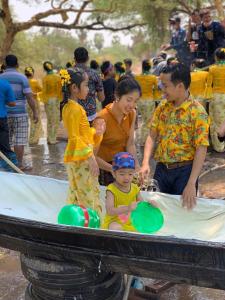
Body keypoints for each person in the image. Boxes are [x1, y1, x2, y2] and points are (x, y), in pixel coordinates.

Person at [140, 63, 210, 210]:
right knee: (156, 211)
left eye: (165, 86)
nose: (162, 90)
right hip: (161, 170)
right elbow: (152, 136)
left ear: (180, 86)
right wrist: (145, 162)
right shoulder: (162, 107)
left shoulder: (198, 112)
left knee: (181, 213)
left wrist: (191, 182)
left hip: (184, 173)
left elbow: (201, 148)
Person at [60, 68, 105, 217]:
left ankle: (75, 221)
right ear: (74, 88)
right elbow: (75, 138)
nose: (88, 89)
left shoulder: (71, 107)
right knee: (87, 192)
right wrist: (90, 158)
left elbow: (82, 135)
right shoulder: (75, 109)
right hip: (82, 159)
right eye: (86, 85)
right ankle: (91, 223)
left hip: (79, 156)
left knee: (76, 191)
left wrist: (96, 133)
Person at [96, 77, 141, 186]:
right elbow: (92, 156)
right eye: (129, 100)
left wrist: (136, 166)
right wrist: (113, 169)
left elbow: (130, 144)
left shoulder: (132, 114)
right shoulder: (102, 119)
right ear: (117, 96)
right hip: (104, 168)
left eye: (135, 101)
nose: (132, 105)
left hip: (123, 166)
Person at [0, 55, 38, 169]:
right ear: (17, 64)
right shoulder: (22, 78)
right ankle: (19, 164)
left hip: (4, 114)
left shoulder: (1, 77)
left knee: (6, 140)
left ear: (5, 64)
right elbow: (30, 97)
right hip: (20, 113)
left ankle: (8, 164)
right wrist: (35, 112)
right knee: (19, 139)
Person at [102, 152, 141, 231]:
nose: (126, 178)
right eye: (122, 174)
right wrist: (128, 208)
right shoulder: (111, 190)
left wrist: (150, 205)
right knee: (115, 227)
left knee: (143, 227)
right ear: (113, 173)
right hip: (114, 221)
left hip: (131, 222)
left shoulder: (135, 188)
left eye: (130, 174)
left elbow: (141, 206)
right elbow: (109, 211)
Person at [74, 47, 104, 122]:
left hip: (73, 114)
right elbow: (101, 98)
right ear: (87, 58)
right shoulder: (95, 74)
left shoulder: (67, 74)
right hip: (90, 115)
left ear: (74, 59)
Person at [135, 60, 158, 146]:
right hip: (149, 102)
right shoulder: (153, 78)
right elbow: (156, 89)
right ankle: (144, 141)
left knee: (144, 121)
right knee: (147, 121)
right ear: (150, 67)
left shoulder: (137, 77)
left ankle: (142, 139)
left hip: (139, 101)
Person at [207, 48, 225, 152]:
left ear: (216, 57)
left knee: (217, 121)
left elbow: (209, 85)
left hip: (217, 97)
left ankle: (220, 147)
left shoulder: (212, 69)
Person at [41, 61, 62, 145]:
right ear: (52, 67)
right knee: (56, 120)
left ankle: (49, 138)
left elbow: (44, 91)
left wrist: (45, 101)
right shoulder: (57, 77)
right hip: (55, 100)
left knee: (49, 120)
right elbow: (59, 90)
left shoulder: (44, 78)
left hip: (47, 101)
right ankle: (53, 139)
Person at [0, 78, 18, 170]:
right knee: (5, 146)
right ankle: (11, 169)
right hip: (1, 118)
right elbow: (12, 103)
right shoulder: (4, 84)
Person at [24, 67, 43, 145]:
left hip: (27, 103)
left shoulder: (24, 81)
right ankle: (33, 139)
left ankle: (33, 138)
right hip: (34, 102)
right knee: (36, 120)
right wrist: (36, 94)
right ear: (33, 73)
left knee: (32, 120)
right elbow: (42, 90)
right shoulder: (34, 82)